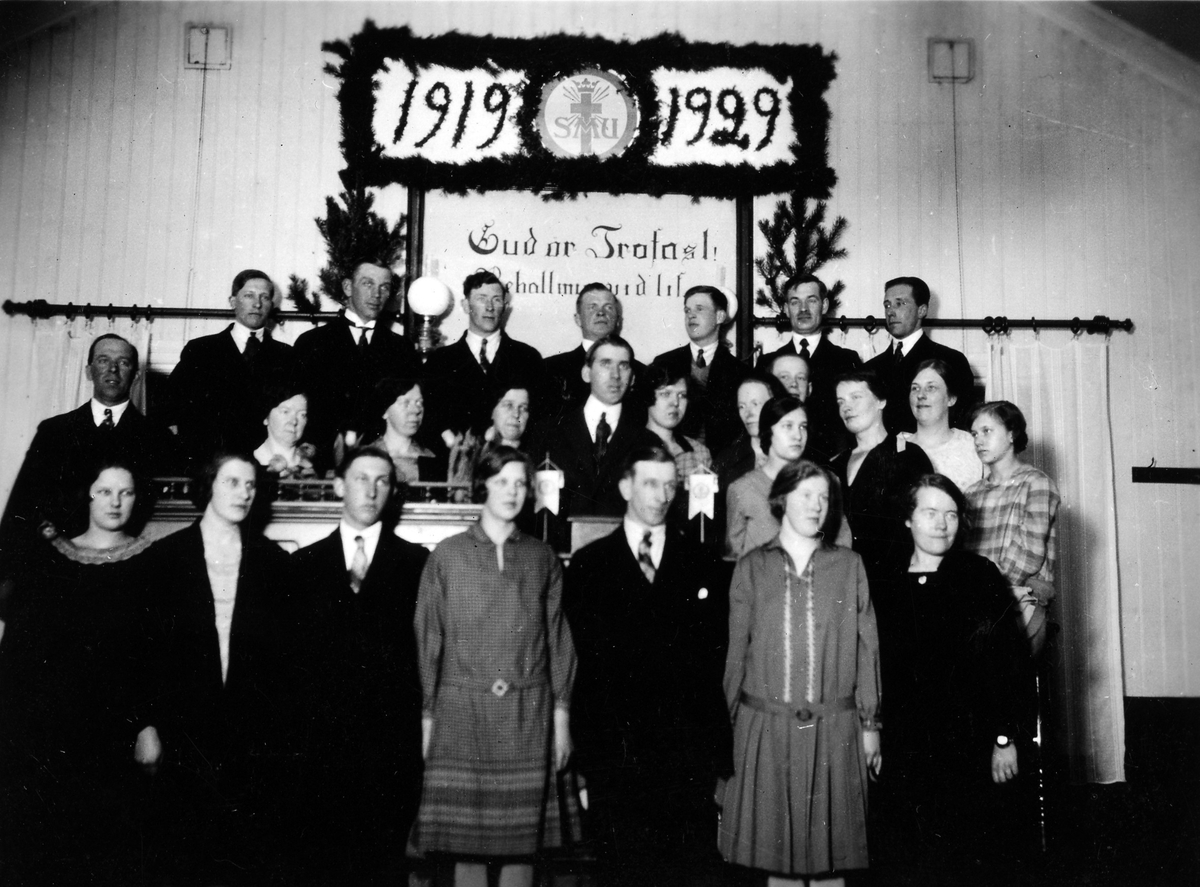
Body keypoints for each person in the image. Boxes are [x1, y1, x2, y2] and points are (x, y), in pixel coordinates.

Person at [566, 445, 731, 887]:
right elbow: (584, 670)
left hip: (684, 757)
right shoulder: (589, 565)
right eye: (650, 484)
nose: (662, 495)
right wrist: (589, 758)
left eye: (670, 485)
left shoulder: (702, 561)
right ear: (625, 487)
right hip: (616, 755)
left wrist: (713, 755)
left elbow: (713, 663)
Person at [412, 446, 576, 887]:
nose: (512, 492)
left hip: (528, 715)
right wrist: (428, 720)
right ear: (482, 484)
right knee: (466, 847)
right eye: (502, 481)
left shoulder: (542, 557)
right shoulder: (447, 555)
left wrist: (561, 719)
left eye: (520, 483)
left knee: (522, 847)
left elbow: (558, 640)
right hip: (462, 714)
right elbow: (429, 640)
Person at [719, 460, 881, 886]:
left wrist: (870, 725)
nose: (816, 506)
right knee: (779, 863)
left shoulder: (849, 566)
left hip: (835, 729)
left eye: (824, 498)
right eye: (806, 495)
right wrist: (730, 730)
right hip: (766, 729)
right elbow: (735, 655)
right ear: (781, 499)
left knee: (832, 862)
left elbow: (867, 648)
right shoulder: (751, 567)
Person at [871, 474, 1037, 884]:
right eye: (930, 512)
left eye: (950, 514)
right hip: (903, 746)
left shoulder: (978, 574)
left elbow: (1008, 661)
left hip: (969, 747)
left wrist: (1004, 737)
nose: (942, 524)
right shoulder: (883, 580)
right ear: (908, 518)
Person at [137, 453, 291, 885]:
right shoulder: (165, 558)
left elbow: (286, 665)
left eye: (251, 485)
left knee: (245, 859)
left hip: (251, 739)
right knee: (183, 858)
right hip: (182, 736)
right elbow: (143, 653)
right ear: (208, 486)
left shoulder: (274, 563)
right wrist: (146, 726)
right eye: (232, 482)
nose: (244, 493)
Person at [0, 461, 153, 885]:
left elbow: (154, 655)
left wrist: (147, 725)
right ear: (87, 495)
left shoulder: (151, 563)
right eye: (105, 491)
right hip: (53, 733)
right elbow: (23, 652)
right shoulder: (52, 558)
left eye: (125, 492)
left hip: (116, 733)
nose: (115, 502)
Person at [288, 446, 430, 885]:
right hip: (321, 753)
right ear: (338, 486)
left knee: (384, 868)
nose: (371, 490)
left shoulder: (418, 564)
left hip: (390, 753)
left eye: (382, 480)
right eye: (361, 478)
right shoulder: (302, 566)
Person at [0, 334, 177, 588]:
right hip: (58, 570)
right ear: (88, 371)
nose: (113, 369)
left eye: (123, 362)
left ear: (136, 375)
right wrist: (7, 574)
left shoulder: (158, 437)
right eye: (103, 360)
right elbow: (23, 504)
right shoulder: (54, 432)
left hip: (127, 571)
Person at [293, 257, 419, 472]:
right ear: (348, 287)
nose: (376, 294)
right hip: (321, 464)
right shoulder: (312, 343)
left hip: (382, 463)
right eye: (368, 283)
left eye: (384, 287)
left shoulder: (402, 349)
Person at [168, 269, 297, 471]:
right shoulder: (201, 350)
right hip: (211, 466)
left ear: (271, 305)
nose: (257, 304)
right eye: (249, 296)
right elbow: (171, 407)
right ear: (233, 301)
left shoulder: (287, 356)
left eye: (264, 297)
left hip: (265, 468)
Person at [526, 335, 644, 550]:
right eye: (605, 364)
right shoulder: (547, 432)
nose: (615, 375)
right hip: (555, 554)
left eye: (623, 366)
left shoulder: (645, 441)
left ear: (633, 377)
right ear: (586, 373)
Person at [964, 401, 1061, 656]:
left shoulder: (1036, 483)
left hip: (1020, 601)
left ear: (1011, 434)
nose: (978, 441)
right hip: (977, 604)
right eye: (974, 434)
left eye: (987, 431)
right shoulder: (971, 494)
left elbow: (1029, 553)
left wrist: (986, 593)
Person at [830, 370, 933, 584]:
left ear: (881, 401)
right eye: (841, 401)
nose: (846, 407)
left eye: (856, 397)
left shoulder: (908, 456)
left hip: (895, 581)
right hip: (843, 580)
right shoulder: (835, 464)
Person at [422, 270, 546, 439]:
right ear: (466, 305)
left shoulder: (528, 358)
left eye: (496, 299)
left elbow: (540, 420)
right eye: (482, 299)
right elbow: (431, 420)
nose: (490, 307)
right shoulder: (440, 361)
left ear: (505, 306)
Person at [758, 274, 861, 462]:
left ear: (824, 305)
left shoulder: (846, 361)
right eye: (795, 302)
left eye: (811, 300)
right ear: (786, 309)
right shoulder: (767, 362)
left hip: (833, 462)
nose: (803, 309)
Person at [863, 276, 976, 434]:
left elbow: (964, 423)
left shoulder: (950, 360)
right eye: (887, 305)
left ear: (922, 310)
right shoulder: (870, 368)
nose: (891, 312)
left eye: (900, 303)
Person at [652, 284, 750, 455]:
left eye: (699, 309)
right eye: (687, 310)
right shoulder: (664, 363)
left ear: (719, 316)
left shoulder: (740, 372)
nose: (691, 315)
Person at [542, 283, 645, 418]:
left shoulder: (642, 373)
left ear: (618, 320)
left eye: (608, 307)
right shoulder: (551, 369)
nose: (601, 312)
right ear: (578, 319)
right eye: (592, 307)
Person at [725, 394, 808, 561]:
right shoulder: (742, 489)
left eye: (803, 427)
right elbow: (734, 555)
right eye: (788, 426)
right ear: (768, 431)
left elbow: (841, 549)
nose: (798, 436)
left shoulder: (824, 483)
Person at [898, 359, 983, 492]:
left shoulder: (973, 444)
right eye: (915, 388)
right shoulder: (897, 446)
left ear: (951, 399)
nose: (920, 395)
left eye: (931, 388)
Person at [358, 377, 448, 485]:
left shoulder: (429, 458)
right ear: (385, 411)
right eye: (405, 403)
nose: (416, 410)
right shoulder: (364, 457)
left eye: (419, 403)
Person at [712, 372, 788, 490]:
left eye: (755, 404)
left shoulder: (794, 455)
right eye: (742, 406)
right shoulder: (727, 460)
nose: (748, 413)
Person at [252, 384, 317, 478]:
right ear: (266, 417)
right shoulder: (249, 464)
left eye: (302, 415)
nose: (294, 421)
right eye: (285, 412)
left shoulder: (314, 467)